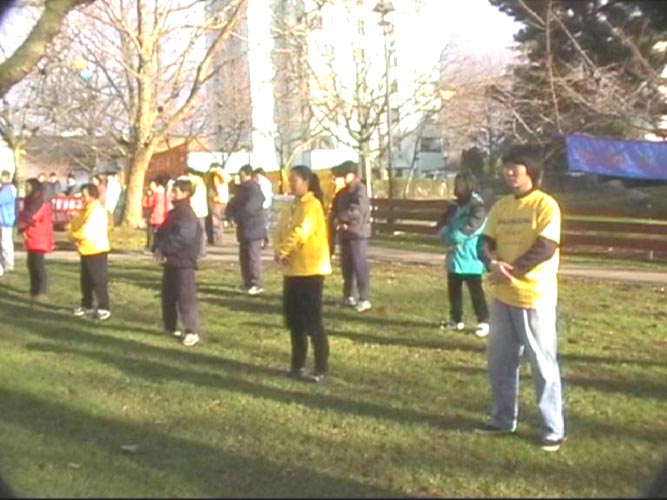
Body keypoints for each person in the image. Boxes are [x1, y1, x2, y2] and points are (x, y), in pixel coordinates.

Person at [475, 144, 566, 452]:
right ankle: (503, 419)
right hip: (503, 298)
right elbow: (484, 242)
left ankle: (553, 429)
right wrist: (492, 263)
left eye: (515, 167)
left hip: (534, 297)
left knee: (542, 364)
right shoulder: (501, 206)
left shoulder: (545, 205)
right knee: (500, 362)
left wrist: (510, 271)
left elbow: (546, 247)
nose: (509, 173)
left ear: (531, 171)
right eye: (506, 167)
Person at [274, 165, 332, 383]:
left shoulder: (312, 206)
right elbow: (280, 229)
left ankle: (320, 368)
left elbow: (301, 232)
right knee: (294, 322)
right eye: (289, 180)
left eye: (294, 180)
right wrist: (279, 251)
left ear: (306, 182)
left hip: (310, 270)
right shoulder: (291, 206)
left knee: (313, 321)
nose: (291, 184)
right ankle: (297, 365)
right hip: (293, 271)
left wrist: (283, 251)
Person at [437, 171, 489, 337]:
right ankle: (455, 319)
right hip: (454, 256)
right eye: (456, 184)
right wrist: (444, 233)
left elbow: (473, 226)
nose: (457, 187)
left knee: (476, 291)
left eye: (460, 184)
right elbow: (443, 222)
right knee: (454, 290)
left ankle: (483, 321)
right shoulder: (453, 205)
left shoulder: (477, 206)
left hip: (470, 256)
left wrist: (455, 237)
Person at [153, 178, 203, 347]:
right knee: (168, 296)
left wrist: (164, 249)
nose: (172, 194)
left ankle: (191, 331)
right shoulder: (174, 213)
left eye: (176, 191)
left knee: (185, 297)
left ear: (186, 193)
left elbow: (182, 238)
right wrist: (157, 247)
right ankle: (170, 326)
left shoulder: (187, 214)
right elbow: (161, 232)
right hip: (171, 261)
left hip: (183, 262)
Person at [329, 160, 372, 312]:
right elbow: (334, 208)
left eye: (342, 175)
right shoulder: (342, 192)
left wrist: (342, 219)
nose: (338, 178)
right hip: (345, 233)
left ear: (352, 175)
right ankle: (348, 295)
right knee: (346, 267)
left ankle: (364, 298)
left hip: (357, 234)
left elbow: (357, 211)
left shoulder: (359, 190)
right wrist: (335, 220)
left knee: (359, 266)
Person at [67, 183, 111, 321]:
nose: (82, 198)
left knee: (98, 280)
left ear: (92, 196)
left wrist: (73, 235)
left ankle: (104, 307)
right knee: (85, 280)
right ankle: (87, 304)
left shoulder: (97, 211)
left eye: (84, 196)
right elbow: (74, 224)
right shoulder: (85, 210)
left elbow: (86, 230)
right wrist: (72, 231)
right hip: (85, 249)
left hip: (96, 249)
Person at [225, 164, 266, 295]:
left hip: (254, 228)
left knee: (253, 257)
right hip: (244, 228)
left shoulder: (254, 189)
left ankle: (256, 283)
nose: (240, 177)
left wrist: (237, 216)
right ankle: (247, 282)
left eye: (242, 175)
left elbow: (250, 208)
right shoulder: (240, 190)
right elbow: (232, 204)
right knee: (244, 257)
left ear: (249, 175)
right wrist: (229, 215)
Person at [17, 178, 54, 303]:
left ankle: (41, 291)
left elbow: (32, 217)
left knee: (38, 265)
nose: (26, 189)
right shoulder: (30, 200)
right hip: (32, 236)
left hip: (39, 236)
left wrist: (22, 225)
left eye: (28, 186)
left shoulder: (40, 202)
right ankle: (34, 290)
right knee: (31, 264)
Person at [142, 176, 170, 249]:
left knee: (151, 231)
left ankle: (150, 245)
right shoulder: (165, 194)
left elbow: (148, 204)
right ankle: (156, 245)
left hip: (155, 215)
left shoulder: (156, 194)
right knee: (158, 232)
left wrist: (148, 196)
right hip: (162, 215)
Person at [186, 167, 209, 257]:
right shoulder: (201, 182)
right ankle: (202, 250)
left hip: (195, 210)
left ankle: (199, 250)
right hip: (202, 211)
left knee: (197, 232)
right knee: (201, 231)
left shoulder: (194, 183)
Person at [207, 162, 230, 245]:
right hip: (224, 200)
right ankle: (219, 238)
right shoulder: (224, 175)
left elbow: (215, 187)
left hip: (216, 200)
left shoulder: (215, 175)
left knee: (215, 220)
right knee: (220, 220)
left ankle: (216, 239)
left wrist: (212, 195)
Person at [0, 170, 16, 276]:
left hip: (5, 220)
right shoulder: (4, 189)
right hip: (2, 220)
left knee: (6, 243)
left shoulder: (7, 190)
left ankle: (9, 263)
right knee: (3, 243)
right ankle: (5, 261)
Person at [253, 167, 273, 248]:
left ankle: (262, 241)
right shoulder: (268, 182)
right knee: (264, 224)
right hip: (266, 205)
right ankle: (264, 240)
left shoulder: (259, 182)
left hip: (261, 206)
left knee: (260, 224)